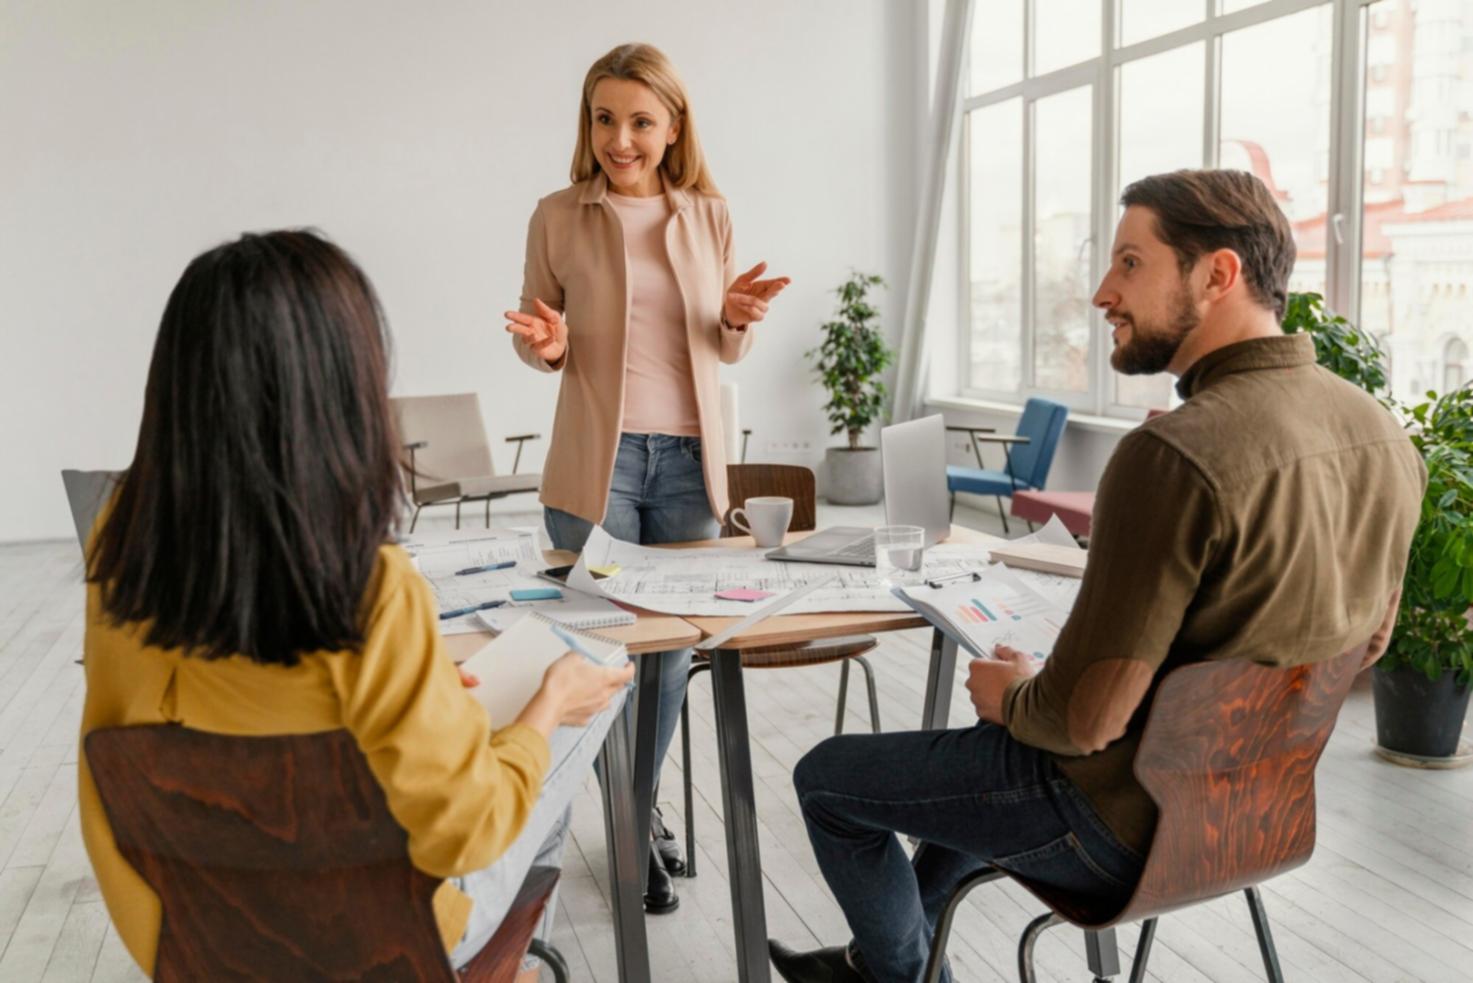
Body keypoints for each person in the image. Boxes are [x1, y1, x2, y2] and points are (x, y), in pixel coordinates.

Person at [768, 169, 1427, 983]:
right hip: (1251, 822)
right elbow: (1364, 647)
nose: (1100, 293)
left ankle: (895, 973)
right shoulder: (1382, 434)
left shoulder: (1172, 453)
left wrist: (1014, 694)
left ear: (1217, 274)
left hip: (1112, 826)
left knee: (828, 776)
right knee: (994, 738)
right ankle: (891, 953)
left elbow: (1081, 726)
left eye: (1129, 263)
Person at [79, 230, 634, 982]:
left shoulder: (121, 546)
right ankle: (507, 965)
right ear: (339, 388)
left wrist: (427, 699)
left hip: (186, 939)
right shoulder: (369, 583)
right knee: (588, 685)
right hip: (386, 946)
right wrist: (546, 708)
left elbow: (116, 756)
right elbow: (461, 833)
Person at [505, 41, 790, 913]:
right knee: (595, 654)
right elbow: (536, 333)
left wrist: (736, 320)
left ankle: (636, 811)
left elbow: (720, 338)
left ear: (672, 130)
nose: (618, 138)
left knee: (666, 661)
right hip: (597, 461)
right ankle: (606, 821)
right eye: (603, 118)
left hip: (683, 465)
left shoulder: (708, 214)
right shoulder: (556, 213)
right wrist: (544, 346)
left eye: (638, 121)